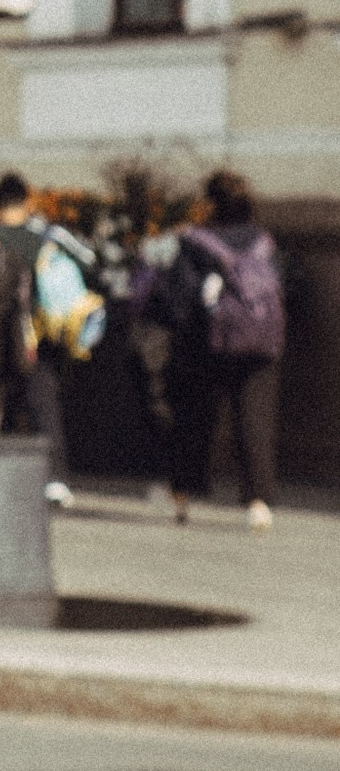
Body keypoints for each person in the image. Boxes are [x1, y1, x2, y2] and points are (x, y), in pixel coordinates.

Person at [162, 166, 284, 526]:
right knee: (256, 420)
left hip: (206, 343)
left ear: (210, 202)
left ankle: (184, 495)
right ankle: (259, 501)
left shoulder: (196, 242)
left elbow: (179, 300)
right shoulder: (264, 241)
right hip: (261, 343)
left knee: (195, 417)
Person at [0, 171, 73, 506]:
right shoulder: (44, 236)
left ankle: (1, 480)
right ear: (26, 200)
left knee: (3, 405)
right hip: (39, 335)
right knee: (43, 405)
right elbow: (88, 262)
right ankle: (55, 478)